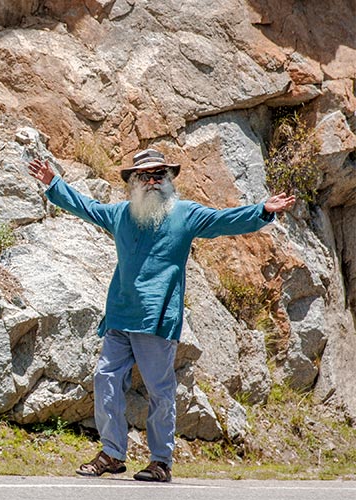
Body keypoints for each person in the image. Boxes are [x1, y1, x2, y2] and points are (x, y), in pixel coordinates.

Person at [27, 148, 296, 482]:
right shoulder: (122, 214)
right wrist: (54, 183)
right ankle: (111, 453)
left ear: (169, 180)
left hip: (157, 319)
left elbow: (221, 220)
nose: (152, 181)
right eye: (144, 176)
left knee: (160, 391)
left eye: (158, 175)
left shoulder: (185, 214)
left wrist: (262, 210)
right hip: (119, 316)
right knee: (104, 380)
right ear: (134, 182)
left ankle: (160, 461)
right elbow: (88, 208)